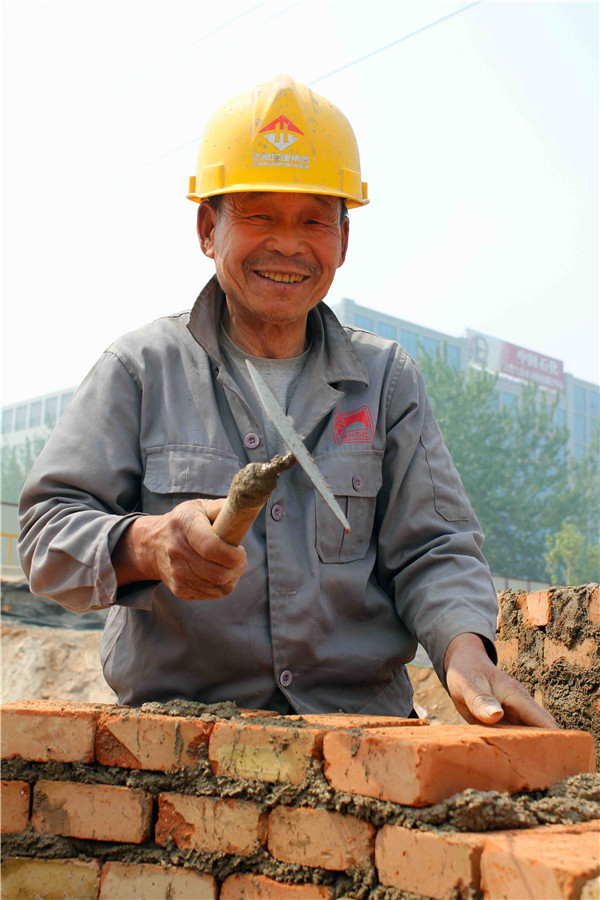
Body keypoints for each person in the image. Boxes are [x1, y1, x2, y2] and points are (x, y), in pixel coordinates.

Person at [19, 75, 555, 728]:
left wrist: (465, 653)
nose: (288, 244)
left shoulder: (385, 382)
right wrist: (150, 543)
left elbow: (434, 547)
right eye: (259, 215)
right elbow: (46, 536)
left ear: (343, 240)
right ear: (207, 228)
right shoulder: (141, 370)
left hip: (361, 736)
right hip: (183, 739)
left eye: (313, 220)